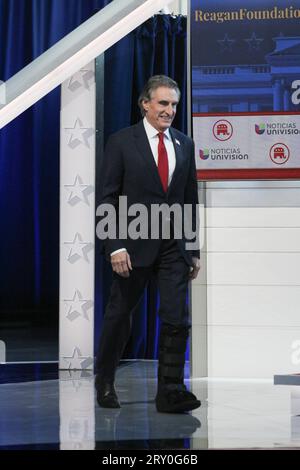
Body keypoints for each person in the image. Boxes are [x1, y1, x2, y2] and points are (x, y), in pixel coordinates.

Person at [95, 75, 201, 413]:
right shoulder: (121, 141)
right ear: (145, 104)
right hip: (132, 244)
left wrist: (193, 248)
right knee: (119, 315)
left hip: (173, 247)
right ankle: (105, 381)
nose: (169, 110)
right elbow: (107, 198)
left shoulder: (184, 144)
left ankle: (170, 391)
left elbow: (188, 199)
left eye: (173, 105)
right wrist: (115, 245)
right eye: (163, 103)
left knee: (176, 317)